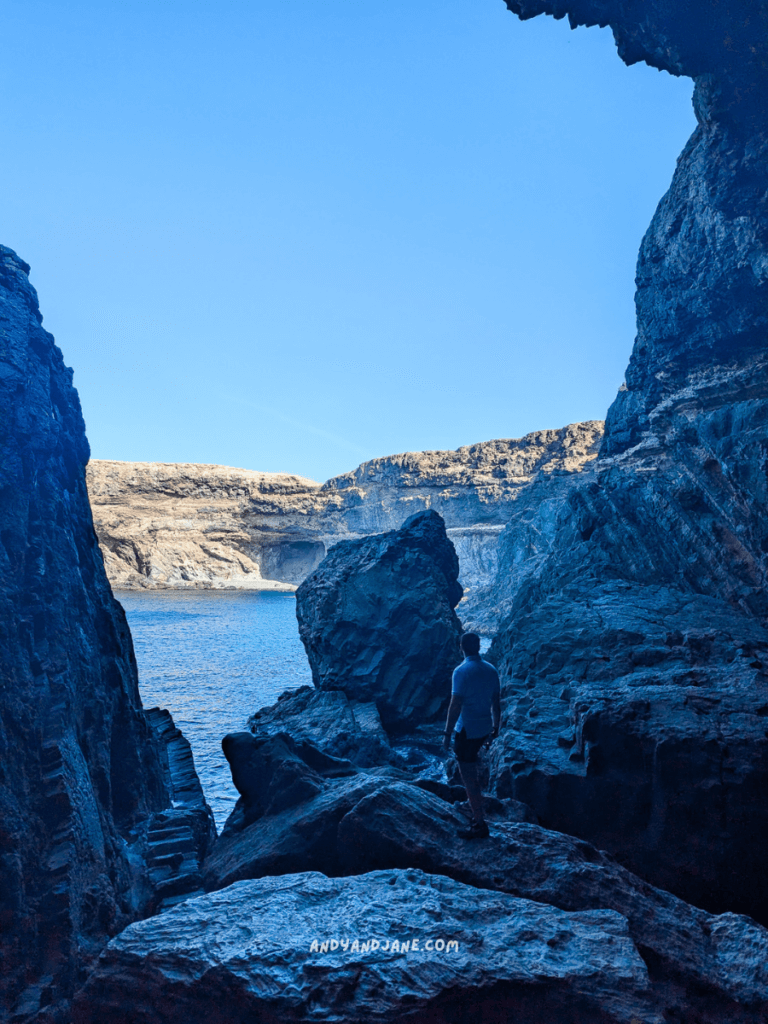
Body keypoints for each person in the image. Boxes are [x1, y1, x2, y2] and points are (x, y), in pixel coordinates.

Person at [442, 631, 501, 840]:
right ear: (478, 647)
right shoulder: (491, 670)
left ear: (462, 648)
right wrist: (496, 727)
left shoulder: (461, 671)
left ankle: (478, 823)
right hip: (484, 729)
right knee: (472, 773)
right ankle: (475, 807)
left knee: (469, 778)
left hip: (466, 731)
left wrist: (447, 733)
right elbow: (496, 701)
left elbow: (455, 704)